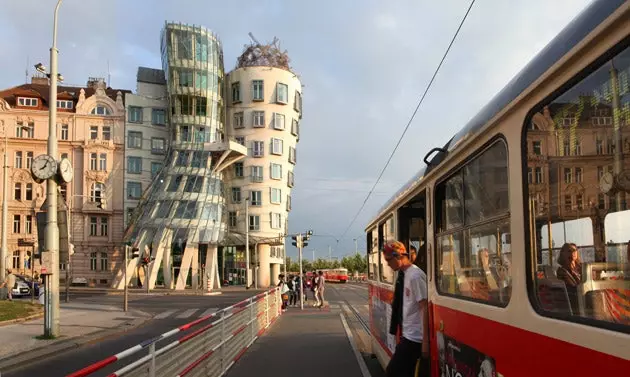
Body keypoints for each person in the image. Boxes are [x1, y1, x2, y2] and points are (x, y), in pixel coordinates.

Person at [383, 241, 429, 377]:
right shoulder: (405, 275)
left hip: (415, 339)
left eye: (388, 260)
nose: (387, 264)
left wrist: (425, 342)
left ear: (398, 256)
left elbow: (424, 307)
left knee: (392, 373)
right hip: (408, 336)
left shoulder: (415, 276)